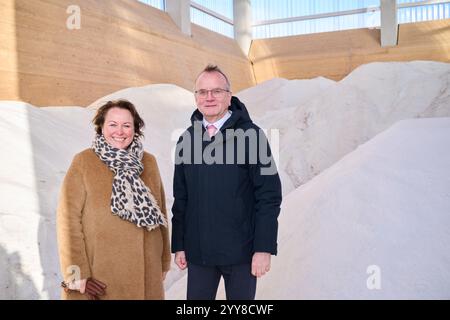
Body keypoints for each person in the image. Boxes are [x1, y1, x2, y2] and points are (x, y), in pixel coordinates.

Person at [171, 65, 282, 300]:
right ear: (196, 98)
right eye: (202, 92)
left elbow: (269, 195)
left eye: (216, 91)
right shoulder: (186, 140)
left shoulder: (252, 136)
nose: (209, 97)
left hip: (241, 253)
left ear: (229, 96)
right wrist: (179, 243)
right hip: (200, 254)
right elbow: (181, 198)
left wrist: (263, 248)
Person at [57, 99, 170, 300]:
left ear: (135, 129)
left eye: (127, 125)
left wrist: (163, 261)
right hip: (101, 279)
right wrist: (76, 275)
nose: (120, 131)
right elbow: (67, 221)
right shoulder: (84, 162)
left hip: (148, 275)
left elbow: (160, 214)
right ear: (101, 127)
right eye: (113, 124)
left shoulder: (148, 162)